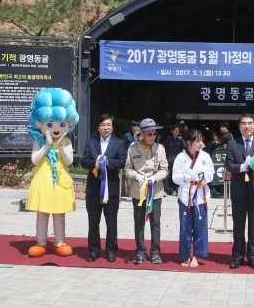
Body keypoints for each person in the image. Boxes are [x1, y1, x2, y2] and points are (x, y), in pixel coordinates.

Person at [25, 88, 79, 258]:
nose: (56, 129)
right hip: (43, 181)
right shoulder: (38, 140)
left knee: (59, 215)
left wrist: (61, 147)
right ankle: (40, 242)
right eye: (50, 124)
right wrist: (47, 145)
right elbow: (34, 160)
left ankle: (59, 242)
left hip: (60, 182)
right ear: (40, 123)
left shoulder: (67, 141)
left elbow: (69, 161)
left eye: (61, 124)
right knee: (42, 215)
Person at [224, 113, 254, 270]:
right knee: (238, 224)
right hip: (238, 189)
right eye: (244, 123)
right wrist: (241, 167)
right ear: (239, 126)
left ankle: (253, 256)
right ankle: (237, 256)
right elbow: (229, 165)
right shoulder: (232, 144)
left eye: (250, 123)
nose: (247, 126)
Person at [80, 113, 127, 262]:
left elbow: (122, 162)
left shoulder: (119, 143)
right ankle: (94, 250)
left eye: (108, 125)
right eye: (103, 125)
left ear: (112, 128)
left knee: (111, 221)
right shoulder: (90, 143)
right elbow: (83, 161)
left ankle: (111, 250)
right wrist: (95, 163)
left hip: (111, 189)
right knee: (93, 221)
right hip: (94, 189)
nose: (106, 128)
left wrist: (107, 163)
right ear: (98, 127)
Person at [124, 118, 168, 265]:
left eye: (155, 134)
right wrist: (136, 175)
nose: (152, 137)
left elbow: (164, 169)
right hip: (138, 190)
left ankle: (155, 252)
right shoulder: (132, 149)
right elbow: (128, 168)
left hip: (155, 191)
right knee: (139, 221)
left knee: (155, 222)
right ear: (141, 134)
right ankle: (140, 251)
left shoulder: (160, 149)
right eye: (149, 134)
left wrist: (155, 178)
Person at [173, 128, 214, 267]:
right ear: (189, 142)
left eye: (201, 140)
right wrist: (185, 177)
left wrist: (202, 177)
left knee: (200, 226)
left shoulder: (205, 156)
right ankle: (185, 255)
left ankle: (197, 255)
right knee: (185, 227)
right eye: (197, 141)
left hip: (201, 195)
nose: (200, 143)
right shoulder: (181, 157)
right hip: (185, 195)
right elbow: (175, 177)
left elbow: (211, 174)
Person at [163, 125, 186, 196]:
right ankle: (165, 190)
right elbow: (163, 148)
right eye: (175, 130)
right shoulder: (168, 139)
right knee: (167, 174)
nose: (177, 131)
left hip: (177, 161)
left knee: (175, 175)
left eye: (178, 130)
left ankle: (174, 189)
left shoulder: (180, 141)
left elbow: (185, 148)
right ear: (172, 131)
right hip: (169, 159)